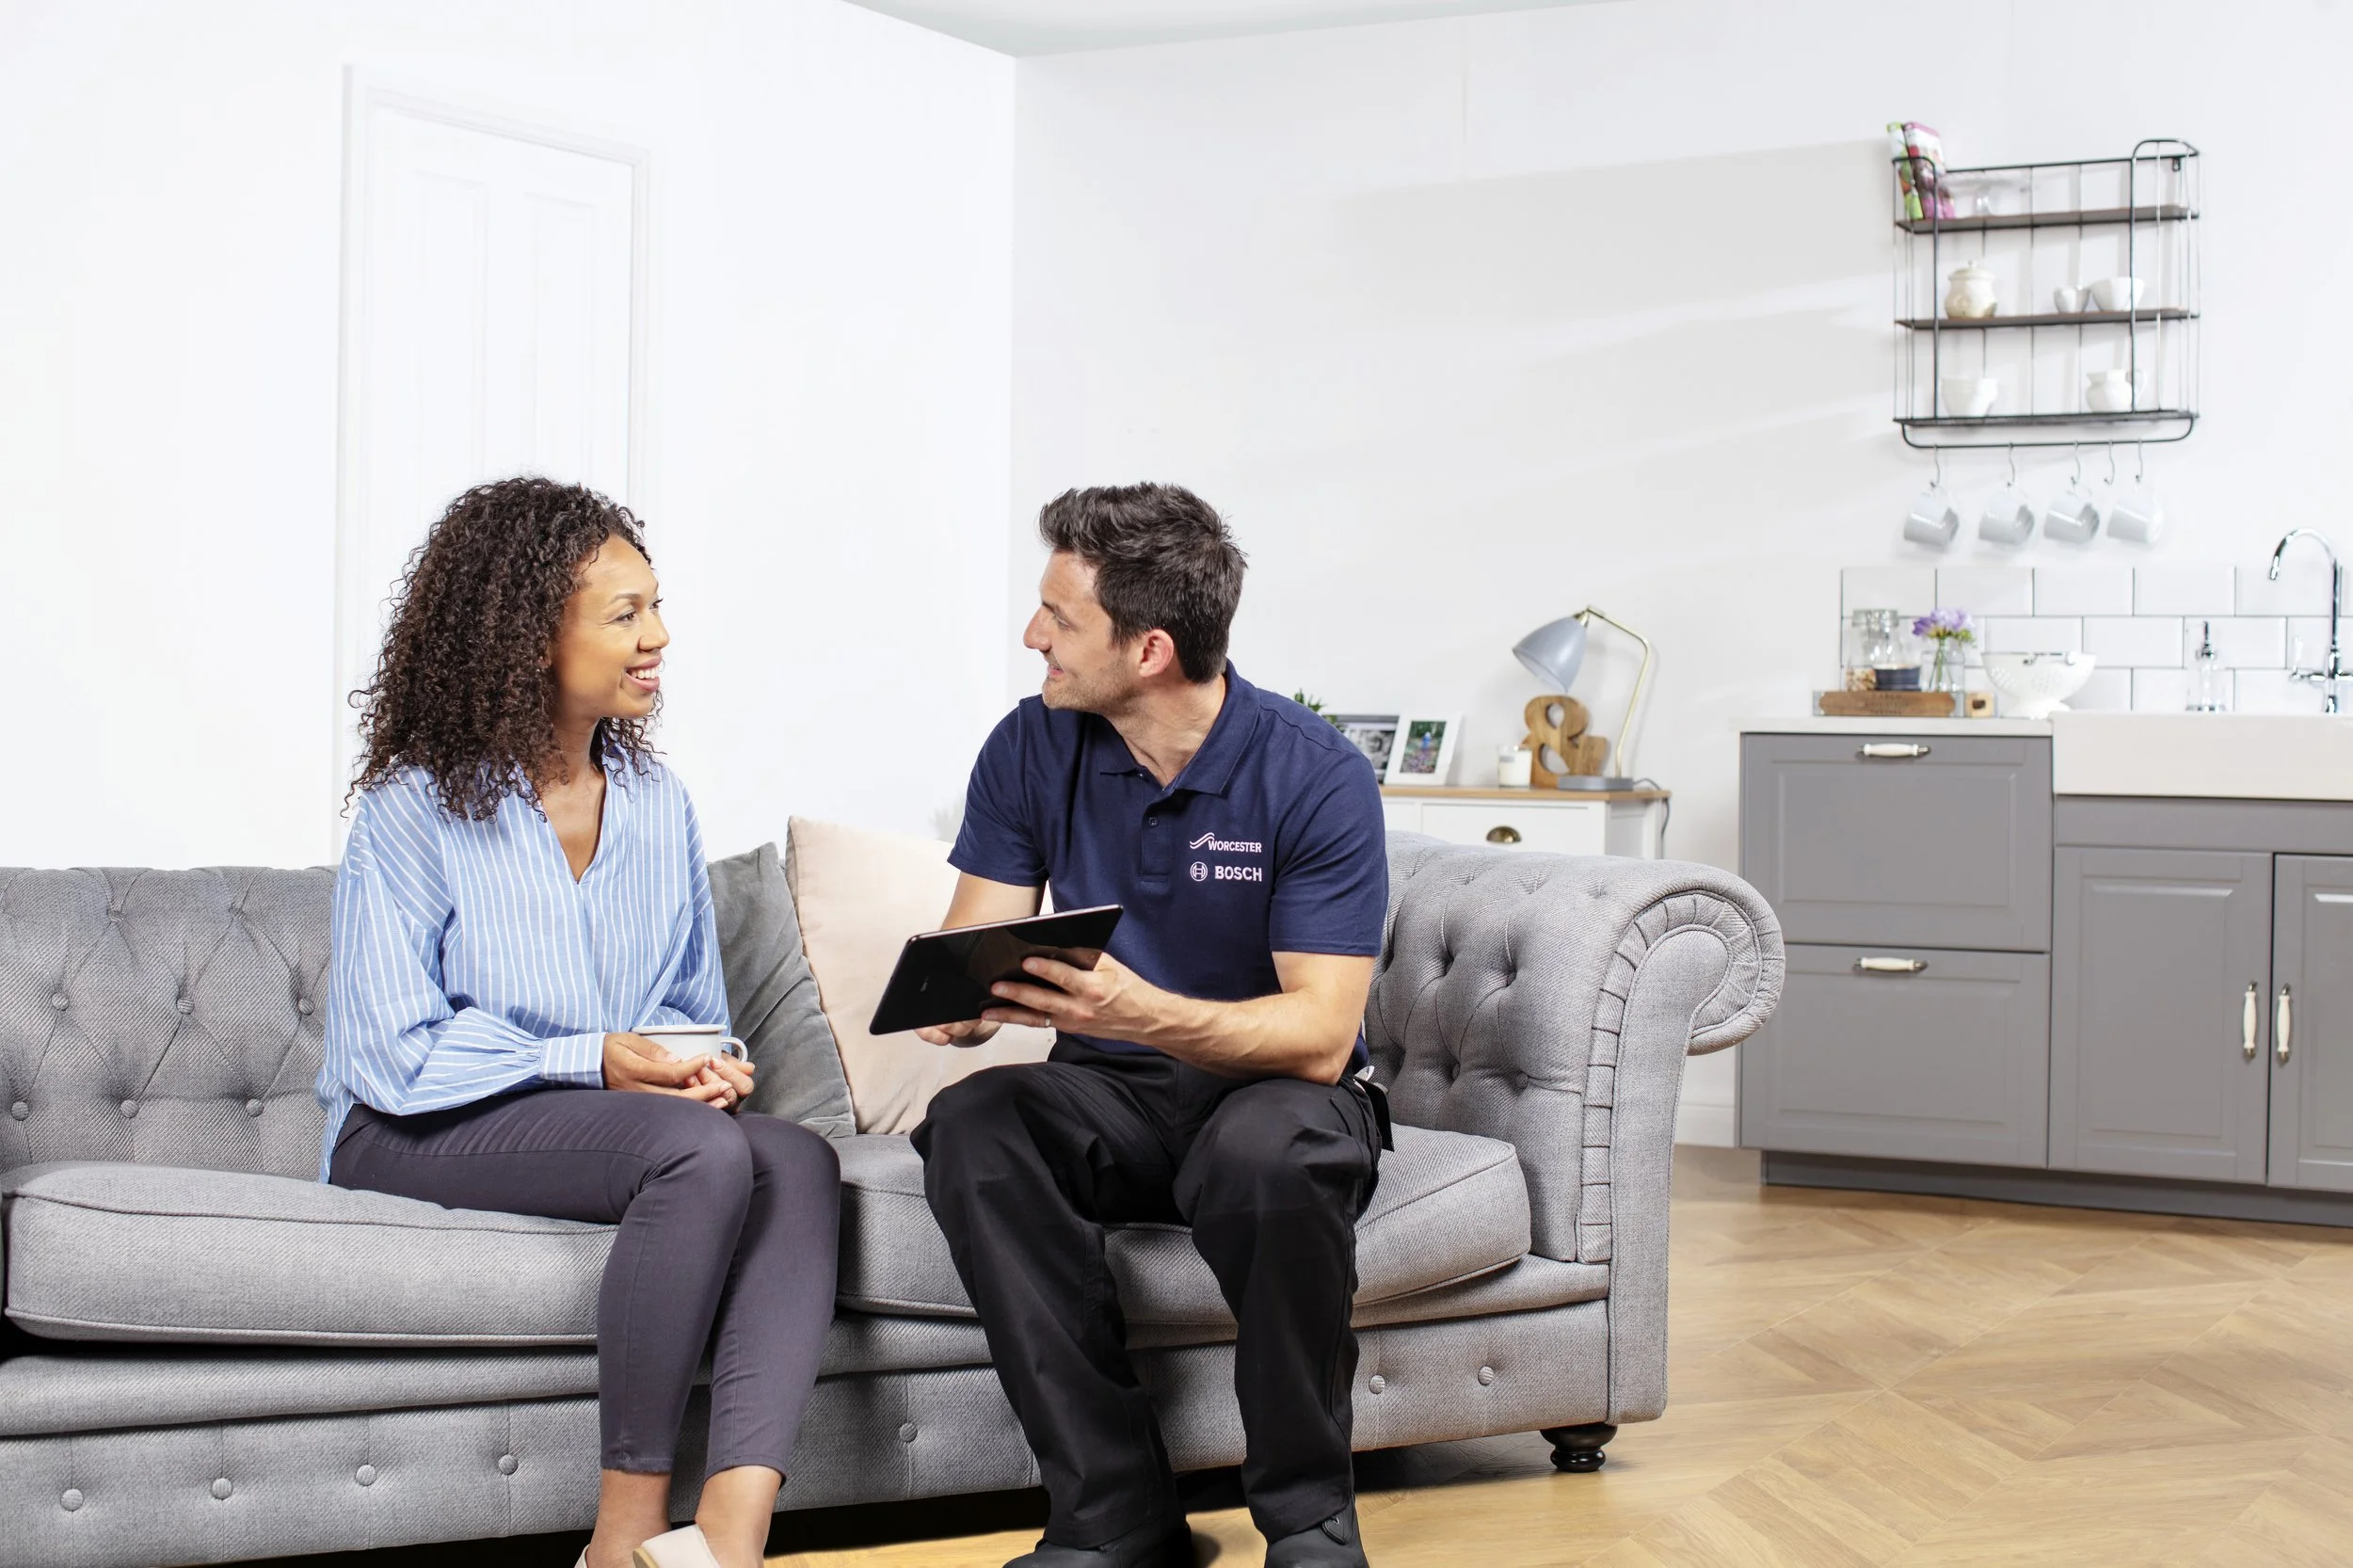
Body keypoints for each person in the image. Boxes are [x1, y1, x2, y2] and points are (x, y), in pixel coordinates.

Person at [317, 478, 839, 1568]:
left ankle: (727, 1546)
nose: (657, 637)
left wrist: (709, 1068)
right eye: (624, 615)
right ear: (527, 635)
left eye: (655, 607)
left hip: (613, 1126)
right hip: (412, 1127)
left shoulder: (658, 806)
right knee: (698, 1156)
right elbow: (389, 1054)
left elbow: (694, 1010)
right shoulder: (414, 808)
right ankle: (621, 1538)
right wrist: (589, 1060)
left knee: (791, 1158)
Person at [911, 484, 1389, 1568]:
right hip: (1112, 1096)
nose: (1033, 635)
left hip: (1276, 1094)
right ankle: (1115, 1518)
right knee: (979, 1123)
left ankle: (1310, 1518)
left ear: (1151, 649)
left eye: (1059, 618)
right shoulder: (1031, 744)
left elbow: (1319, 1037)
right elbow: (978, 933)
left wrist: (1145, 1010)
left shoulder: (1312, 774)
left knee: (1271, 1151)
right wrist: (967, 1003)